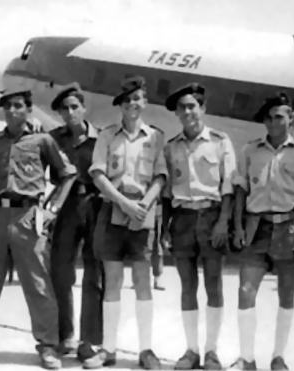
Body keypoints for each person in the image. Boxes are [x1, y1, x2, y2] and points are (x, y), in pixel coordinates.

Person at [0, 90, 77, 370]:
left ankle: (48, 347)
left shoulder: (42, 140)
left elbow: (67, 174)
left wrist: (52, 209)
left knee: (37, 284)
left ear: (28, 110)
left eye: (18, 106)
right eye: (7, 107)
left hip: (29, 216)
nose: (12, 111)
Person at [228, 93, 294, 371]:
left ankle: (279, 357)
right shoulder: (250, 151)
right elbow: (240, 190)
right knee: (245, 291)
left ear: (290, 118)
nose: (273, 122)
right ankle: (247, 358)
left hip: (289, 228)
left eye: (279, 116)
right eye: (268, 117)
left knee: (286, 293)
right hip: (256, 226)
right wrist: (238, 225)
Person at [83, 76, 167, 370]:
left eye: (138, 99)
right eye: (128, 99)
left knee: (143, 282)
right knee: (113, 282)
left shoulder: (156, 137)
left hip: (143, 214)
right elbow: (98, 175)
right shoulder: (107, 136)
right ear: (121, 105)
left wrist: (144, 205)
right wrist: (124, 203)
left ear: (145, 103)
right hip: (114, 211)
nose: (133, 104)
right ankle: (108, 349)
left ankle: (146, 350)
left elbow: (160, 176)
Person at [159, 83, 236, 370]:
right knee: (187, 286)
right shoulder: (171, 147)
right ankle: (191, 351)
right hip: (182, 219)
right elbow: (167, 192)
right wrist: (165, 227)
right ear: (177, 113)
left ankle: (212, 352)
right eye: (182, 107)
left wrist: (224, 221)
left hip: (211, 216)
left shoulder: (219, 141)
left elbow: (228, 185)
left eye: (193, 106)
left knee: (213, 285)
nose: (188, 111)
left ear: (202, 109)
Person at [48, 84, 103, 361]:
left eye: (74, 107)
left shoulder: (102, 139)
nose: (69, 112)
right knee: (60, 271)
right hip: (65, 208)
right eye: (64, 109)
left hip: (95, 205)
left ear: (83, 108)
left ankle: (89, 341)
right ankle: (64, 335)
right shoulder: (53, 139)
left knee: (94, 273)